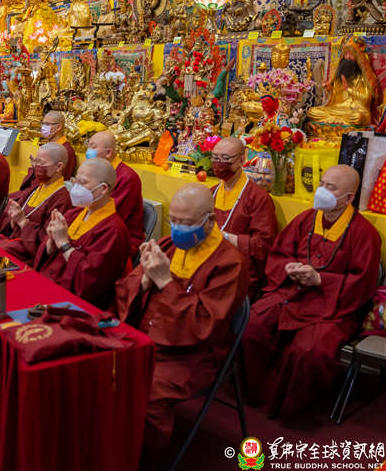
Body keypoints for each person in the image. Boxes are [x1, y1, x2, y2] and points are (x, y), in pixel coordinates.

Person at [116, 184, 247, 465]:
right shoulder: (168, 245)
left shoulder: (230, 263)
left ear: (209, 221)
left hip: (190, 354)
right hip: (144, 332)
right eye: (172, 220)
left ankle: (140, 460)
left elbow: (204, 324)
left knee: (146, 397)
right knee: (102, 368)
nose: (177, 229)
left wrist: (165, 282)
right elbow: (126, 288)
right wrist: (144, 281)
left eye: (185, 223)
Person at [242, 164, 382, 419]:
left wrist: (320, 279)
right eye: (321, 184)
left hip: (333, 306)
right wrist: (289, 268)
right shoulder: (305, 219)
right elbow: (279, 253)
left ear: (348, 198)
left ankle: (287, 408)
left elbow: (362, 284)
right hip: (291, 292)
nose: (322, 191)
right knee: (251, 325)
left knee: (308, 351)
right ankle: (253, 393)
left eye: (331, 187)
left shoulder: (365, 234)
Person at [34, 157, 132, 309]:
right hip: (48, 282)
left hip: (73, 303)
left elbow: (91, 282)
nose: (76, 188)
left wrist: (63, 244)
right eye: (76, 181)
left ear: (103, 188)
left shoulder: (114, 231)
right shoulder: (73, 214)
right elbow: (44, 257)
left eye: (83, 183)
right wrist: (51, 242)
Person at [208, 136, 278, 299]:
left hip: (239, 272)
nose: (219, 163)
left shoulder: (257, 197)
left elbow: (263, 245)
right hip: (209, 264)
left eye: (225, 158)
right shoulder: (211, 193)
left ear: (241, 159)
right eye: (215, 157)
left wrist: (226, 237)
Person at [0, 142, 74, 262]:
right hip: (14, 241)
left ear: (58, 167)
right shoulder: (36, 188)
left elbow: (47, 241)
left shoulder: (62, 199)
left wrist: (23, 222)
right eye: (36, 161)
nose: (37, 166)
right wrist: (13, 218)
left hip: (29, 252)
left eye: (42, 163)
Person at [85, 130, 145, 250]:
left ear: (108, 153)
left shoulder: (126, 177)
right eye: (88, 146)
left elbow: (112, 214)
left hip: (118, 238)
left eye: (93, 147)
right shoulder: (94, 171)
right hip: (93, 227)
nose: (88, 151)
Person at [17, 111, 77, 189]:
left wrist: (38, 168)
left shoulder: (66, 151)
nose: (43, 127)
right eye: (43, 123)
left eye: (47, 124)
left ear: (59, 127)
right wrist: (35, 167)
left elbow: (58, 181)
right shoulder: (49, 146)